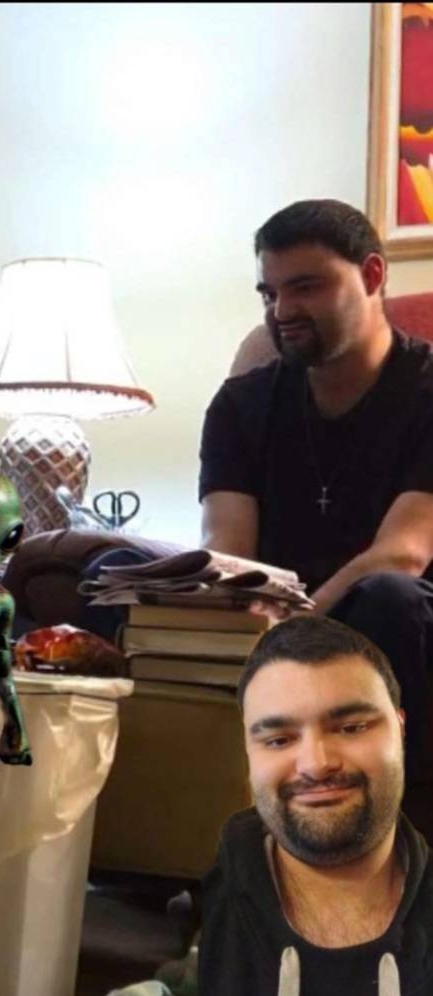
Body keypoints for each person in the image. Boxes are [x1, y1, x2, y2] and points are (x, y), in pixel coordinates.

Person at [199, 199, 433, 788]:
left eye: (305, 287)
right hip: (273, 624)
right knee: (108, 572)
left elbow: (404, 553)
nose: (283, 312)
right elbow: (228, 553)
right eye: (269, 293)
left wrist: (290, 631)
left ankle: (395, 822)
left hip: (399, 622)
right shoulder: (240, 406)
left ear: (372, 275)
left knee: (388, 597)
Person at [197, 616, 433, 994]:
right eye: (279, 740)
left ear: (400, 729)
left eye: (351, 728)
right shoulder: (205, 906)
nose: (316, 764)